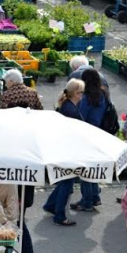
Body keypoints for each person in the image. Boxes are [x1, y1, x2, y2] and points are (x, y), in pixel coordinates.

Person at [43, 79, 85, 225]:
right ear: (75, 93)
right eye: (80, 92)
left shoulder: (66, 106)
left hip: (63, 149)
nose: (82, 96)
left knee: (64, 181)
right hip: (69, 151)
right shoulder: (71, 110)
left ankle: (50, 205)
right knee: (67, 182)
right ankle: (59, 215)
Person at [72, 68, 111, 212]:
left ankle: (87, 200)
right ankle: (95, 196)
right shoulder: (103, 94)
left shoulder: (87, 97)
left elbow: (81, 116)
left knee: (84, 169)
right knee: (94, 167)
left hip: (86, 135)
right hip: (100, 134)